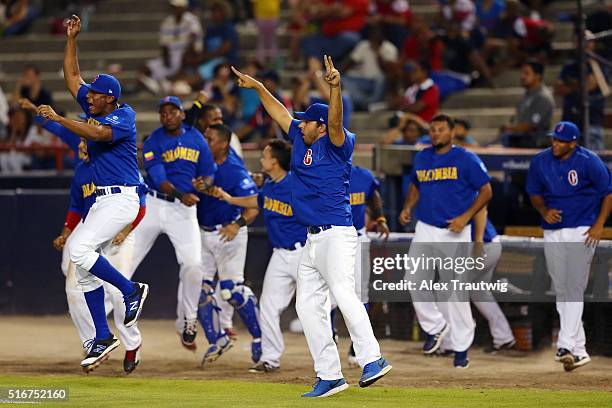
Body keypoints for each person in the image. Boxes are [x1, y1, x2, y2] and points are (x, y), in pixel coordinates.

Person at [231, 55, 391, 398]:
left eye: (307, 122)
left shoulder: (337, 144)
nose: (299, 124)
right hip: (312, 239)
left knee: (344, 293)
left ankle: (372, 358)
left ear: (319, 126)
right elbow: (279, 113)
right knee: (306, 306)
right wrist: (259, 87)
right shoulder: (302, 139)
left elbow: (334, 123)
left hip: (336, 232)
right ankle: (330, 375)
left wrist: (336, 90)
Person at [36, 15, 149, 372]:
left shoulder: (123, 116)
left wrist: (57, 119)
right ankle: (102, 336)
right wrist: (72, 40)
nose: (89, 94)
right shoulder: (97, 104)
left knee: (80, 249)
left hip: (124, 198)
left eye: (96, 92)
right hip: (103, 199)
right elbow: (72, 77)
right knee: (82, 270)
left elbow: (97, 136)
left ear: (110, 98)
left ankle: (131, 291)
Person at [399, 114, 492, 369]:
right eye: (433, 129)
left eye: (441, 129)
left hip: (454, 230)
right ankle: (436, 326)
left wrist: (465, 217)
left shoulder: (465, 158)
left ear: (452, 132)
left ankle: (461, 348)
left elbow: (486, 191)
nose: (436, 133)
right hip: (426, 226)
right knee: (413, 278)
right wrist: (408, 206)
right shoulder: (422, 156)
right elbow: (416, 185)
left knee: (454, 293)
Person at [209, 139, 307, 373]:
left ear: (275, 161)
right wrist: (231, 199)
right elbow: (258, 201)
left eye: (265, 155)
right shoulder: (271, 185)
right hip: (280, 255)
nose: (262, 159)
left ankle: (334, 360)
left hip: (305, 254)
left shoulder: (297, 185)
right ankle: (270, 359)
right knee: (268, 307)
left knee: (315, 309)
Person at [128, 96, 216, 351]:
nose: (167, 116)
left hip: (183, 210)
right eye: (163, 112)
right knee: (126, 260)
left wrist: (205, 184)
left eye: (172, 111)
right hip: (154, 204)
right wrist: (183, 194)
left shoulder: (197, 139)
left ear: (181, 114)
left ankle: (187, 320)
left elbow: (209, 172)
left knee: (193, 264)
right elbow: (158, 177)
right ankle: (102, 319)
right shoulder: (153, 141)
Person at [526, 121, 612, 372]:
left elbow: (608, 193)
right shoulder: (541, 161)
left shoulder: (589, 160)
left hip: (582, 229)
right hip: (552, 230)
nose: (555, 143)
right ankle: (580, 351)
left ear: (573, 143)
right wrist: (543, 209)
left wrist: (599, 225)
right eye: (554, 139)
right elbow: (534, 192)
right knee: (562, 288)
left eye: (561, 140)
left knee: (573, 286)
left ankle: (564, 345)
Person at [191, 123, 261, 366]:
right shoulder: (201, 162)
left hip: (228, 232)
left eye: (209, 139)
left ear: (222, 144)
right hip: (203, 233)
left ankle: (260, 337)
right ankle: (217, 339)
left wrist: (238, 224)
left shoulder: (234, 170)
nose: (205, 142)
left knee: (230, 290)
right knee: (199, 290)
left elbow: (254, 205)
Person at [332, 164, 390, 367]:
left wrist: (380, 217)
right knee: (326, 293)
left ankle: (358, 346)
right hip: (331, 237)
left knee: (360, 294)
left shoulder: (363, 175)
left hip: (357, 237)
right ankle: (331, 334)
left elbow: (373, 194)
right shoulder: (325, 171)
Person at [470, 208, 516, 354]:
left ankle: (451, 342)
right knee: (478, 292)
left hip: (484, 245)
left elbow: (481, 210)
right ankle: (504, 338)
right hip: (486, 245)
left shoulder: (461, 188)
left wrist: (478, 242)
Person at [555, 31, 610, 151]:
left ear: (593, 44)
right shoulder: (569, 66)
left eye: (588, 41)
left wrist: (572, 86)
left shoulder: (599, 64)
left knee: (593, 165)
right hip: (570, 123)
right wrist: (580, 86)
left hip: (592, 123)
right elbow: (558, 89)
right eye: (580, 41)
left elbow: (596, 87)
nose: (585, 45)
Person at [138, 0, 203, 94]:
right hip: (170, 56)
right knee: (143, 70)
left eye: (179, 7)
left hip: (187, 57)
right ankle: (158, 86)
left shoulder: (192, 20)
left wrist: (185, 59)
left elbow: (194, 42)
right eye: (174, 6)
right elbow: (164, 45)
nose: (176, 9)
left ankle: (163, 85)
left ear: (185, 7)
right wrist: (166, 60)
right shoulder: (167, 22)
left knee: (186, 62)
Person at [341, 25, 398, 111]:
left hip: (380, 83)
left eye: (377, 37)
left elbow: (391, 73)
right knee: (343, 79)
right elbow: (350, 62)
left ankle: (370, 104)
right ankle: (365, 103)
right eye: (373, 37)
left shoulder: (390, 49)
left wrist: (379, 56)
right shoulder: (364, 45)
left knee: (382, 78)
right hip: (365, 81)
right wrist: (336, 72)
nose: (374, 39)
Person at [500, 60, 554, 148]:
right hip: (521, 141)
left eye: (526, 73)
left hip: (535, 145)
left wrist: (509, 128)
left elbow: (530, 126)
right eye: (522, 73)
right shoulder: (528, 95)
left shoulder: (543, 97)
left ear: (537, 76)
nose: (522, 77)